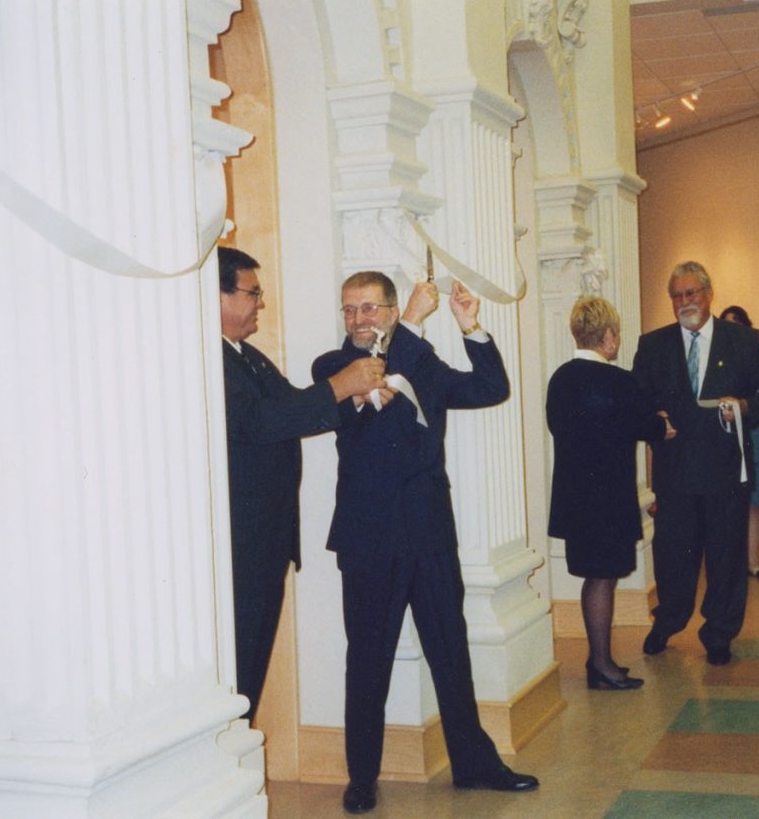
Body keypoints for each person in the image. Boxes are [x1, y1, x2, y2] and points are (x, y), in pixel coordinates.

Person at [311, 272, 538, 814]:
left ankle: (474, 763)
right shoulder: (333, 369)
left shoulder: (419, 361)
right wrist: (412, 322)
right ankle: (361, 776)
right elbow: (375, 399)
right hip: (368, 540)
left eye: (370, 308)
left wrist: (470, 326)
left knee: (450, 652)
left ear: (389, 310)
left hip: (430, 531)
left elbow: (490, 390)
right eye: (349, 310)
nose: (358, 319)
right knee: (368, 659)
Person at [218, 247, 387, 721]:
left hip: (265, 542)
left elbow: (293, 407)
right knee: (237, 668)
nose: (260, 304)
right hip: (239, 544)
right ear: (218, 295)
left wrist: (356, 393)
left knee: (250, 667)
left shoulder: (245, 355)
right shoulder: (205, 357)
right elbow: (256, 421)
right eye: (252, 293)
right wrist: (340, 385)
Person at [632, 262, 759, 666]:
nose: (684, 302)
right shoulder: (653, 345)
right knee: (673, 554)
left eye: (691, 293)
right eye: (677, 296)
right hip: (675, 472)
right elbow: (638, 402)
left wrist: (744, 406)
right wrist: (655, 423)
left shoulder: (743, 340)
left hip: (726, 470)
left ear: (708, 294)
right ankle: (668, 621)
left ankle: (719, 633)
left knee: (725, 556)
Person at [547, 297, 672, 690]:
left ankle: (598, 661)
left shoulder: (561, 378)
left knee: (594, 577)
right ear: (608, 336)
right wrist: (663, 425)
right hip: (609, 498)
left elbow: (560, 427)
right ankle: (600, 666)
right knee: (603, 580)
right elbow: (648, 426)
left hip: (576, 496)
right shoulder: (618, 380)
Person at [721, 305, 759, 578]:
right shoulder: (716, 359)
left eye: (738, 323)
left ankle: (752, 560)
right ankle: (730, 561)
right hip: (727, 436)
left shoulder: (756, 357)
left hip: (758, 434)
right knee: (727, 502)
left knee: (753, 501)